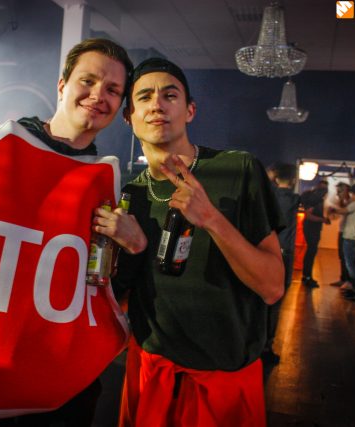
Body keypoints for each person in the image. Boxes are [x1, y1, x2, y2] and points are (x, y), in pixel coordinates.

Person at [0, 38, 144, 425]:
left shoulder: (110, 186)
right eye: (88, 81)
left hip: (62, 397)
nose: (97, 95)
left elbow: (105, 291)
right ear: (62, 84)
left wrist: (135, 246)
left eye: (112, 89)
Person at [110, 57, 284, 426]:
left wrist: (211, 219)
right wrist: (134, 248)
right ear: (129, 116)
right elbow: (119, 294)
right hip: (151, 370)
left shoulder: (237, 169)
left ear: (190, 110)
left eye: (170, 95)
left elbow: (272, 286)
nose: (157, 104)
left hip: (222, 380)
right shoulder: (129, 195)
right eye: (144, 97)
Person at [262, 162, 300, 365]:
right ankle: (267, 345)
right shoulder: (294, 198)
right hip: (285, 253)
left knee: (261, 298)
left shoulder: (268, 196)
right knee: (276, 300)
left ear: (275, 178)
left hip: (266, 250)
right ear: (293, 180)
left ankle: (258, 343)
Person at [331, 184, 355, 301]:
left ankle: (354, 290)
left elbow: (343, 211)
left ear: (353, 193)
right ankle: (353, 289)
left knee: (350, 265)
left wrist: (332, 209)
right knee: (354, 264)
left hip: (350, 238)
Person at [300, 179, 331, 288]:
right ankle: (307, 277)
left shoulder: (315, 198)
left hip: (312, 228)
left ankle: (306, 276)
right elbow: (309, 216)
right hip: (311, 228)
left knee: (311, 252)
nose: (324, 191)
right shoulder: (314, 199)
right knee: (311, 252)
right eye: (324, 189)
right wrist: (323, 220)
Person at [329, 182, 351, 286]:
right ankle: (343, 279)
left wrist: (334, 210)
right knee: (342, 257)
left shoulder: (351, 202)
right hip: (343, 231)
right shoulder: (345, 201)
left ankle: (347, 281)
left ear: (345, 190)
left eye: (339, 192)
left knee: (346, 257)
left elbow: (344, 211)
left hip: (347, 233)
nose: (337, 194)